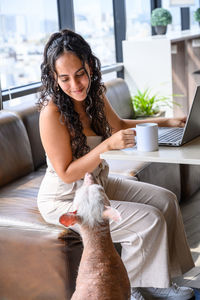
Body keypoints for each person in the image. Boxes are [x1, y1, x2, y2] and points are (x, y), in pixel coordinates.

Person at [37, 28, 195, 300]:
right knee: (148, 220)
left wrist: (165, 121)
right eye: (64, 78)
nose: (75, 84)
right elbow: (65, 174)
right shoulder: (51, 114)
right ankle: (131, 288)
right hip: (66, 198)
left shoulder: (94, 94)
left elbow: (120, 125)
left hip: (98, 184)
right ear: (54, 77)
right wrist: (107, 146)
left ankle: (160, 280)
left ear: (89, 65)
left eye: (80, 74)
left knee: (166, 200)